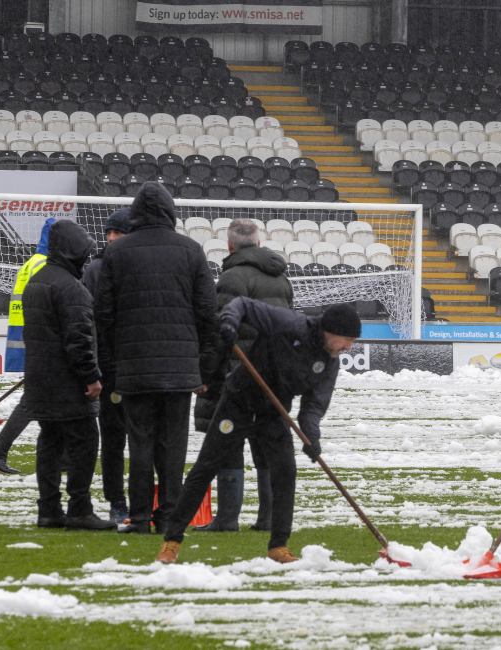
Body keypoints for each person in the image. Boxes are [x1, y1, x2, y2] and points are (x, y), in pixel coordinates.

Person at [156, 299, 359, 564]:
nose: (348, 347)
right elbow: (242, 305)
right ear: (329, 330)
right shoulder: (289, 324)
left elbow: (313, 405)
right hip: (237, 404)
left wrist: (312, 437)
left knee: (285, 471)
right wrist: (229, 323)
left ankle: (278, 546)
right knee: (206, 467)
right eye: (346, 339)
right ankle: (172, 541)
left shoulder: (329, 362)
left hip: (273, 414)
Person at [95, 182, 219, 534]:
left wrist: (111, 366)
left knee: (140, 443)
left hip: (133, 368)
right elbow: (208, 314)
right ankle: (167, 515)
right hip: (180, 368)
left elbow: (103, 315)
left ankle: (138, 516)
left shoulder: (118, 253)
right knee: (174, 446)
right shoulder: (191, 250)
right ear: (170, 211)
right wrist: (204, 368)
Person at [192, 219, 294, 532]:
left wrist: (205, 374)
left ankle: (226, 519)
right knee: (265, 445)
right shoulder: (282, 278)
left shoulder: (232, 277)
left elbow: (222, 332)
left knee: (228, 442)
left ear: (229, 245)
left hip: (238, 374)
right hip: (272, 374)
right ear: (260, 244)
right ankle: (266, 518)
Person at [23, 219, 115, 530]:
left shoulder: (36, 281)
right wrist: (91, 377)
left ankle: (48, 509)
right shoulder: (71, 289)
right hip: (68, 383)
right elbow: (79, 340)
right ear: (72, 252)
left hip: (41, 380)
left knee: (50, 441)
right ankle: (79, 508)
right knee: (85, 441)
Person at [0, 217, 55, 475]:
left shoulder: (31, 263)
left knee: (48, 399)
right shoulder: (45, 266)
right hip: (35, 340)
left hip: (24, 337)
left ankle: (62, 455)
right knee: (36, 400)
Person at [80, 208, 131, 523]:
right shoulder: (95, 270)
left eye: (118, 233)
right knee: (112, 439)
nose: (111, 237)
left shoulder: (141, 266)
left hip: (139, 365)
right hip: (109, 369)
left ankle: (145, 500)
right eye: (109, 232)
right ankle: (116, 501)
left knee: (144, 439)